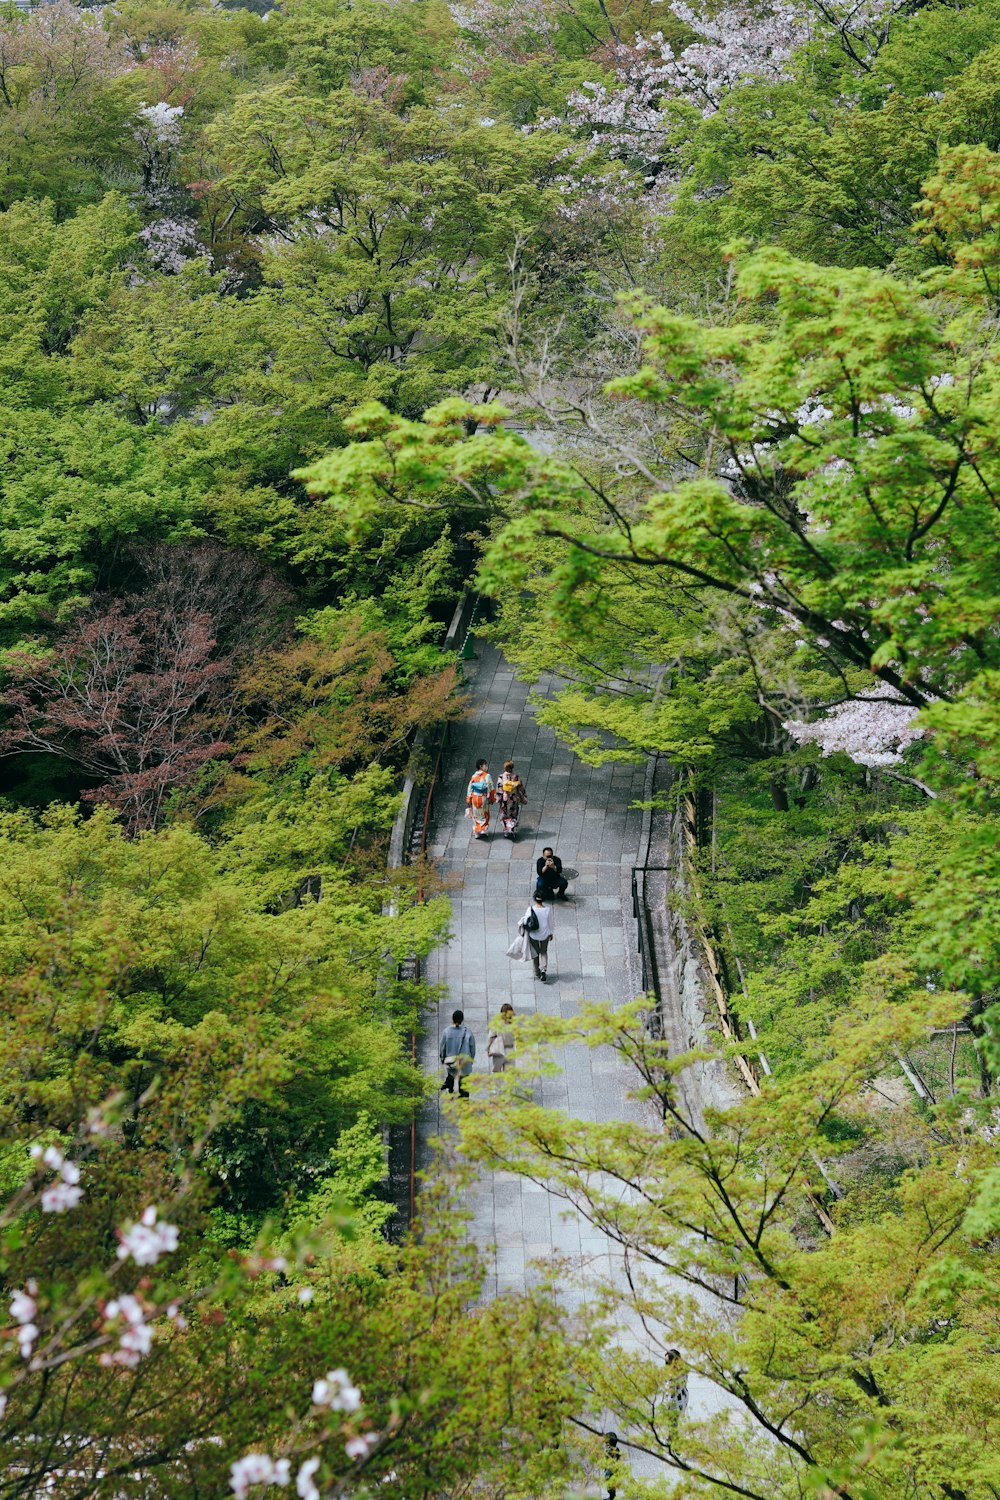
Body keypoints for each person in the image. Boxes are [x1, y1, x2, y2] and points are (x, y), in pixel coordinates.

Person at [439, 1009, 476, 1097]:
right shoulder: (468, 1032)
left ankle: (451, 1093)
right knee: (464, 1086)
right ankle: (464, 1104)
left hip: (451, 1061)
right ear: (462, 1019)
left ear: (452, 1019)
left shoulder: (446, 1032)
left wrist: (443, 1059)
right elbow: (472, 1048)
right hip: (464, 1063)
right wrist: (471, 1060)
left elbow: (442, 1048)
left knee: (451, 1077)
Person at [520, 891, 554, 981]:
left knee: (535, 953)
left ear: (534, 898)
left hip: (533, 935)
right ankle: (544, 969)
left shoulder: (530, 909)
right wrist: (551, 933)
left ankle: (536, 972)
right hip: (545, 935)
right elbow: (550, 923)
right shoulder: (547, 910)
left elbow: (525, 921)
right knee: (544, 951)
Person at [495, 760, 527, 839]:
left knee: (504, 814)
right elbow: (521, 788)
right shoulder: (516, 777)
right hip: (513, 798)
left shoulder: (501, 777)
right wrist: (523, 797)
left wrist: (498, 798)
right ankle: (511, 829)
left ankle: (506, 830)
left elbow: (499, 789)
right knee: (513, 814)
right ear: (512, 768)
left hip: (505, 799)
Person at [465, 759, 494, 840]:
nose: (487, 766)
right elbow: (491, 788)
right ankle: (483, 829)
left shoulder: (474, 776)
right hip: (483, 797)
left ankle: (477, 832)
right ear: (481, 766)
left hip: (475, 797)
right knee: (484, 814)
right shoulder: (487, 776)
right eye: (485, 765)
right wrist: (492, 798)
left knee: (476, 815)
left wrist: (468, 799)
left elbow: (469, 788)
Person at [487, 1002, 516, 1073]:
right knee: (509, 1075)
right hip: (510, 1050)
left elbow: (490, 1037)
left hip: (498, 1050)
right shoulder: (514, 1024)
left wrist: (488, 1049)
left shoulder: (496, 1024)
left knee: (497, 1074)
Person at [662, 1349, 689, 1420]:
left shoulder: (672, 1376)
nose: (666, 1364)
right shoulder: (683, 1370)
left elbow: (670, 1391)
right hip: (683, 1398)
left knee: (672, 1424)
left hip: (674, 1403)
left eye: (667, 1362)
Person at [604, 1432, 620, 1500]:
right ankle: (612, 1496)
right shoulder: (616, 1449)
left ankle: (611, 1497)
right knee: (612, 1485)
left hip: (610, 1471)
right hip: (613, 1469)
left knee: (610, 1485)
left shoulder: (610, 1451)